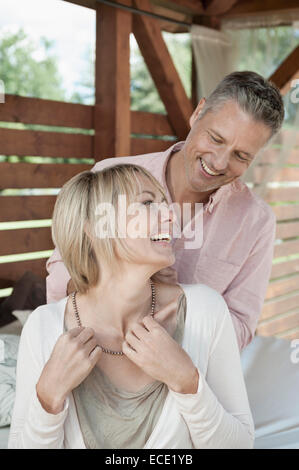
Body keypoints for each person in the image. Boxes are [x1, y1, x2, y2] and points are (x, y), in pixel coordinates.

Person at [8, 164, 254, 449]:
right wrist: (48, 397)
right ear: (94, 228)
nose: (171, 214)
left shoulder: (205, 310)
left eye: (165, 203)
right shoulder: (44, 326)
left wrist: (187, 381)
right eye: (148, 203)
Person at [46, 71, 285, 351]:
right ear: (197, 113)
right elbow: (62, 282)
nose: (219, 162)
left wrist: (174, 311)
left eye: (241, 155)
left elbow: (241, 330)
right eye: (216, 139)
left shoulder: (257, 222)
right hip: (96, 355)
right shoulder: (108, 177)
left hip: (186, 371)